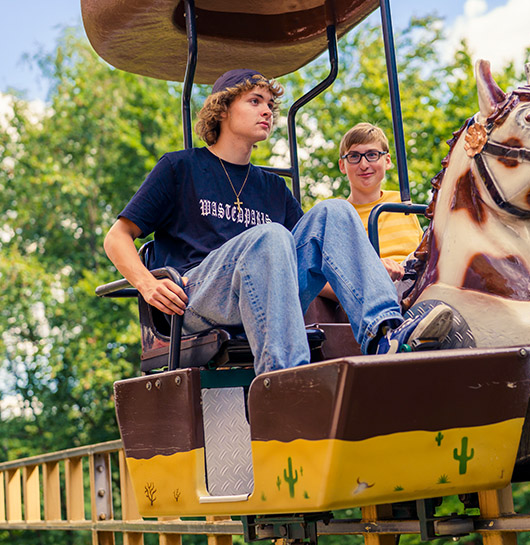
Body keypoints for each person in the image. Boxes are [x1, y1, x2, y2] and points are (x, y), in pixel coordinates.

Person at [103, 69, 451, 374]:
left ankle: (385, 333)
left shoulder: (272, 188)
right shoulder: (180, 168)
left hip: (268, 292)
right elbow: (117, 237)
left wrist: (366, 272)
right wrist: (147, 284)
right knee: (271, 237)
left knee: (334, 211)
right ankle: (286, 377)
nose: (267, 111)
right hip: (197, 296)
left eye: (270, 104)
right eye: (255, 101)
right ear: (222, 109)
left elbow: (317, 260)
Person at [338, 122, 423, 282]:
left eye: (372, 155)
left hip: (416, 281)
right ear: (342, 165)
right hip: (372, 286)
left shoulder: (402, 202)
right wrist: (374, 270)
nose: (364, 165)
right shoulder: (339, 213)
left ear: (387, 161)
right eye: (354, 156)